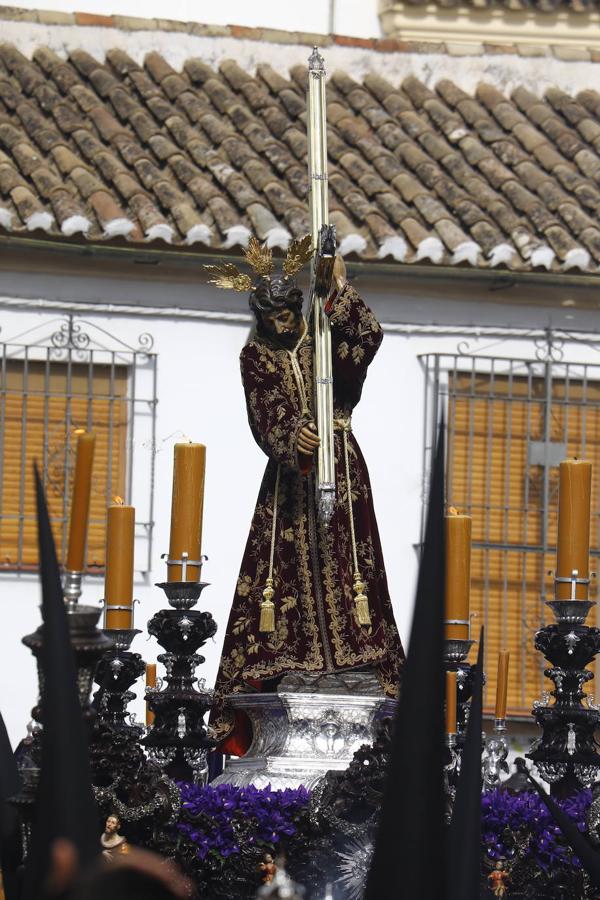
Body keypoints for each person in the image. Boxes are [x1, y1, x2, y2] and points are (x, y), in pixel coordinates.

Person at [206, 238, 405, 753]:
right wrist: (291, 434)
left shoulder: (323, 337)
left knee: (350, 561)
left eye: (289, 310)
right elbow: (264, 409)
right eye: (271, 315)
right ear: (261, 316)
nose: (282, 322)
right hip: (291, 482)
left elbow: (366, 338)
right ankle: (293, 661)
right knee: (286, 566)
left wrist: (335, 285)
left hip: (342, 465)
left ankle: (357, 658)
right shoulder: (255, 358)